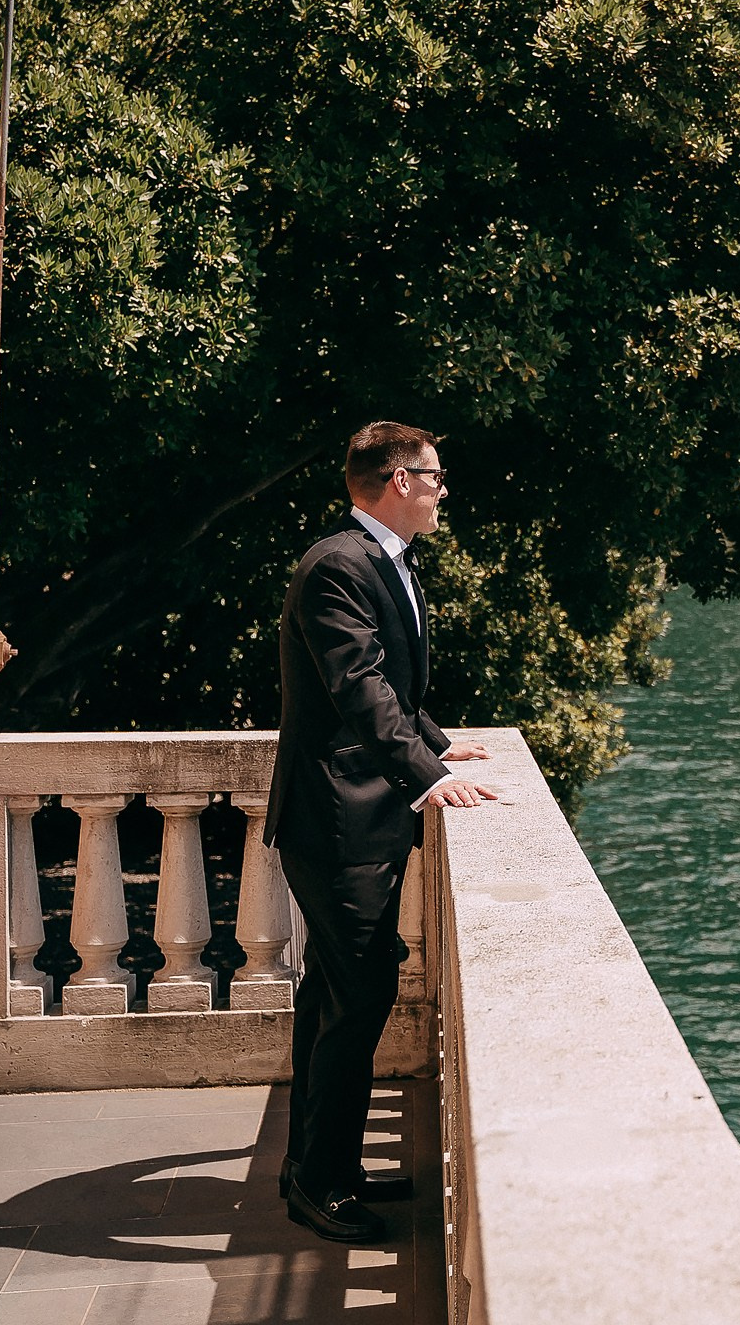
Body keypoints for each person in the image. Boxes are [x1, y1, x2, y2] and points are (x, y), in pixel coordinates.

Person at [268, 421, 499, 1243]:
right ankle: (321, 1187)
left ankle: (315, 1167)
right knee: (357, 996)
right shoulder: (339, 564)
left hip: (358, 816)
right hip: (336, 822)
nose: (443, 489)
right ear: (398, 480)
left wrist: (436, 742)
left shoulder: (380, 562)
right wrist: (432, 779)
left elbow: (390, 686)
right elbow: (358, 688)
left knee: (333, 994)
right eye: (434, 476)